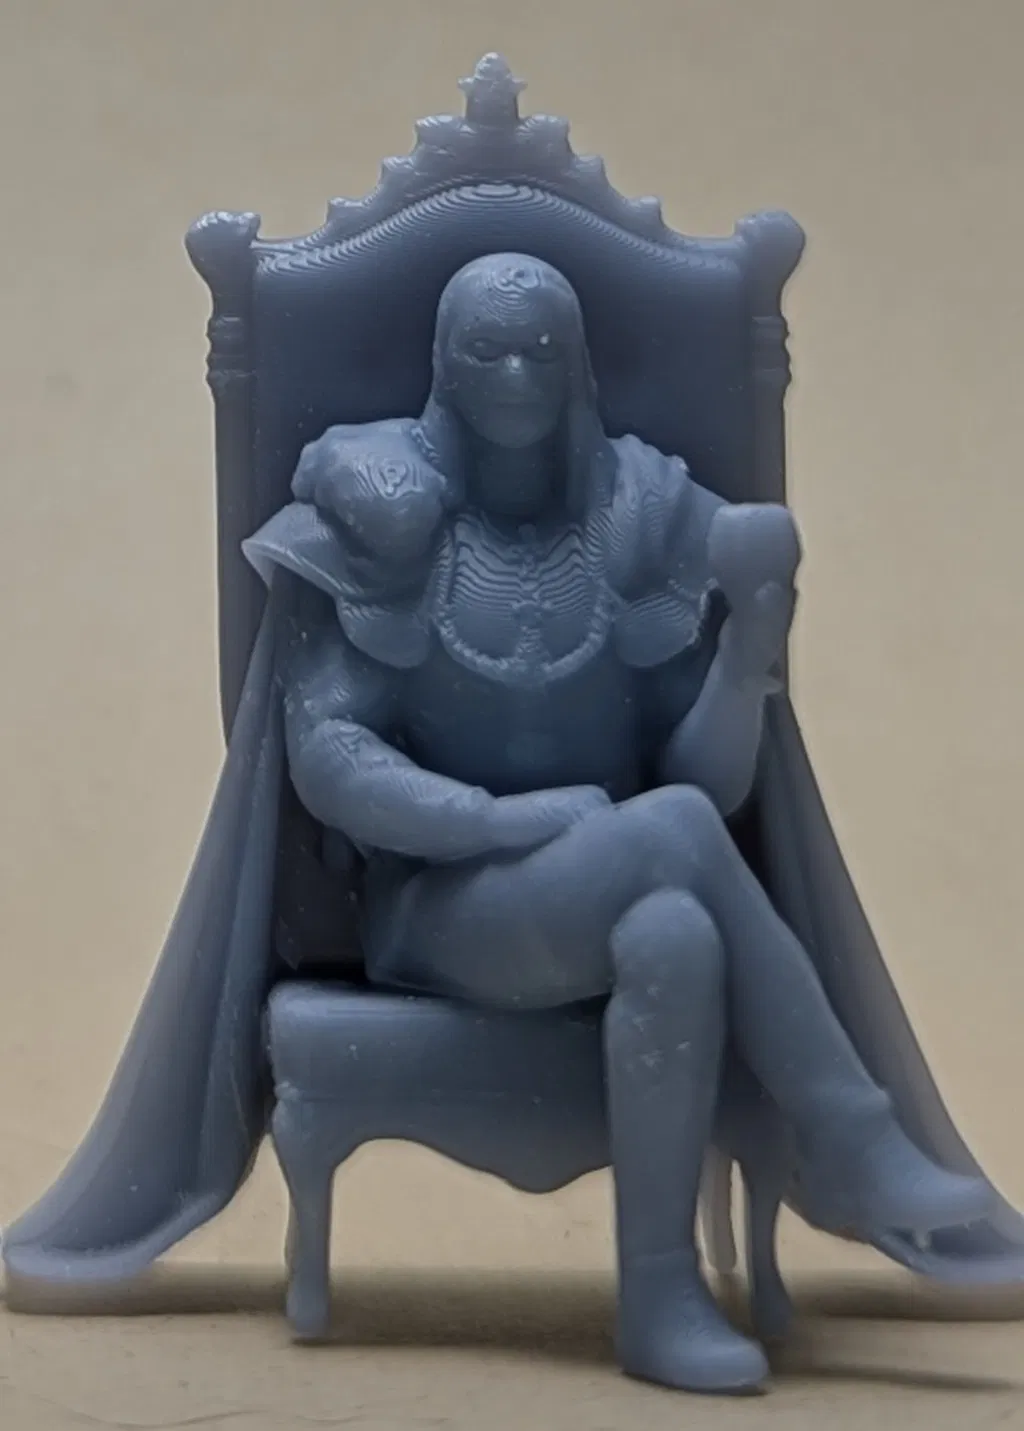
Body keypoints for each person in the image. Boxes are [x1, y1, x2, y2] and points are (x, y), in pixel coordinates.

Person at [246, 252, 991, 1392]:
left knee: (674, 933)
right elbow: (332, 762)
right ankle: (850, 1139)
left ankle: (659, 1295)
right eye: (485, 349)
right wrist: (499, 819)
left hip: (604, 880)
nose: (514, 374)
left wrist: (745, 652)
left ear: (577, 365)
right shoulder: (379, 519)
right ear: (443, 363)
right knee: (673, 833)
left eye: (541, 349)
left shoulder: (640, 516)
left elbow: (708, 784)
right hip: (437, 908)